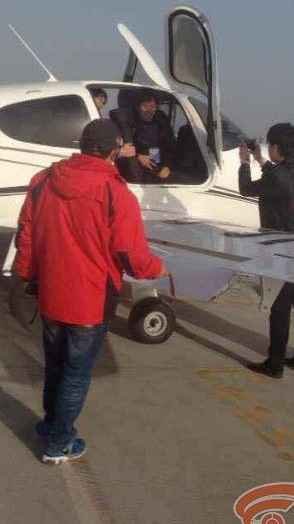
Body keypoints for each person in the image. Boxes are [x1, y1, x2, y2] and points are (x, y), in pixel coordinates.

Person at [14, 118, 166, 463]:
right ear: (114, 151)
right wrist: (157, 269)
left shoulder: (43, 181)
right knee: (76, 374)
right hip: (91, 302)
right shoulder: (117, 193)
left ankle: (50, 425)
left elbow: (26, 234)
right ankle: (59, 442)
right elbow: (131, 255)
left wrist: (26, 274)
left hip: (51, 295)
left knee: (55, 365)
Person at [238, 123, 294, 378]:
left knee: (280, 306)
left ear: (275, 147)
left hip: (283, 249)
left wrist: (245, 162)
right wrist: (260, 160)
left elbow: (246, 189)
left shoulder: (275, 177)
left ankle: (275, 363)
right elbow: (281, 177)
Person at [114, 89, 176, 183]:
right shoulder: (130, 125)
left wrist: (167, 167)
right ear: (138, 107)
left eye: (152, 106)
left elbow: (171, 148)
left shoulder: (161, 123)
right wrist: (138, 157)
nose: (149, 110)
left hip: (160, 169)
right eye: (145, 106)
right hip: (137, 171)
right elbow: (122, 150)